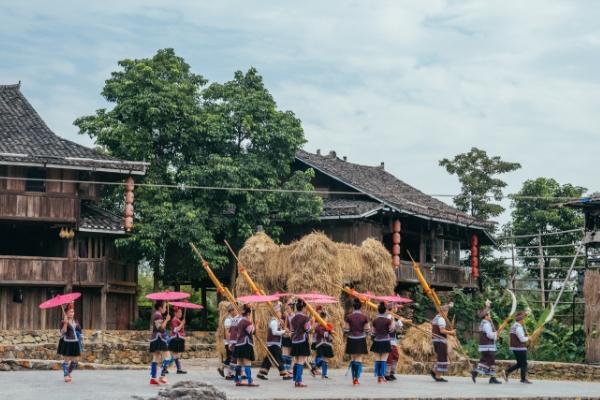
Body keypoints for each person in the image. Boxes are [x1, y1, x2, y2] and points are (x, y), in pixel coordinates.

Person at [257, 303, 292, 381]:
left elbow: (279, 332)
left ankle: (261, 373)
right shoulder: (274, 322)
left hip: (274, 343)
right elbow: (274, 332)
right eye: (279, 312)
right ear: (276, 313)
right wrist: (283, 331)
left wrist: (285, 331)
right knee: (279, 358)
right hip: (274, 344)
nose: (280, 314)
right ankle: (284, 373)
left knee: (268, 359)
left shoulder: (277, 322)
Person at [471, 301, 502, 384]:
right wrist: (496, 334)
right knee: (486, 361)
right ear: (486, 316)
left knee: (490, 361)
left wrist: (495, 334)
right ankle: (475, 372)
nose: (490, 316)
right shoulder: (486, 324)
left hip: (485, 346)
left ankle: (492, 378)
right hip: (488, 346)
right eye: (489, 315)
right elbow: (489, 335)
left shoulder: (483, 323)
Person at [344, 298, 370, 385]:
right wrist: (365, 334)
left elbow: (346, 329)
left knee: (353, 358)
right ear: (360, 307)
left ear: (353, 307)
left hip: (351, 339)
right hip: (360, 339)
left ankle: (353, 378)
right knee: (359, 359)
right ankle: (356, 378)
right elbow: (367, 329)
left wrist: (348, 334)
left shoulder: (349, 317)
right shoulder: (364, 317)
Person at [233, 303, 259, 387]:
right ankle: (250, 381)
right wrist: (256, 324)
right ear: (248, 314)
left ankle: (238, 380)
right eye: (250, 314)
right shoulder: (247, 322)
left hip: (239, 344)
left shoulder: (240, 321)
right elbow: (252, 332)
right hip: (245, 344)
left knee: (239, 363)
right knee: (247, 363)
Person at [502, 311, 532, 384]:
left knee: (520, 363)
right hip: (520, 348)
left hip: (515, 347)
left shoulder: (513, 326)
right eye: (523, 319)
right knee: (524, 363)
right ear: (521, 320)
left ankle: (507, 371)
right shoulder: (518, 327)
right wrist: (528, 338)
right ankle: (523, 379)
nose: (524, 321)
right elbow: (522, 339)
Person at [430, 302, 455, 382]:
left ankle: (435, 371)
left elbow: (433, 324)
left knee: (441, 357)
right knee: (442, 358)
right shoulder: (441, 319)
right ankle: (438, 376)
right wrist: (451, 333)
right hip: (440, 340)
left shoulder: (435, 318)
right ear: (444, 312)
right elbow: (442, 330)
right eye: (447, 312)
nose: (447, 314)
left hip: (436, 340)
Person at [57, 303, 81, 383]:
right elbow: (62, 332)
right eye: (70, 312)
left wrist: (80, 336)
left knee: (75, 360)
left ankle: (69, 372)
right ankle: (66, 375)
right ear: (66, 313)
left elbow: (79, 330)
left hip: (75, 341)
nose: (72, 313)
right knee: (66, 359)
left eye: (73, 312)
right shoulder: (63, 321)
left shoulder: (75, 321)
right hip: (67, 342)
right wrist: (65, 323)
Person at [290, 298, 311, 387]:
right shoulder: (305, 318)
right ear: (303, 308)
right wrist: (312, 323)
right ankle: (299, 380)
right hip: (302, 341)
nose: (306, 309)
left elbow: (292, 330)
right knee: (301, 361)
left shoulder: (293, 318)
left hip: (295, 341)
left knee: (297, 360)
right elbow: (307, 329)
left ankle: (296, 379)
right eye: (306, 308)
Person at [371, 302, 394, 383]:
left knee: (378, 359)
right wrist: (392, 320)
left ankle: (378, 376)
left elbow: (372, 332)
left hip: (377, 341)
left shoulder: (375, 320)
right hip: (385, 341)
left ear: (378, 310)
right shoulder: (388, 320)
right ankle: (382, 376)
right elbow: (391, 330)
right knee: (384, 360)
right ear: (385, 311)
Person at [149, 300, 171, 385]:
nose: (165, 309)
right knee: (168, 356)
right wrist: (166, 320)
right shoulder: (158, 316)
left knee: (156, 357)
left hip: (155, 338)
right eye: (165, 307)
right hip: (159, 338)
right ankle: (162, 375)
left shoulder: (157, 315)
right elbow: (160, 328)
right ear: (160, 308)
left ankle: (153, 378)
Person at [312, 308, 334, 379]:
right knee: (320, 357)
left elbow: (330, 335)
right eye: (322, 317)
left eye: (325, 317)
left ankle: (324, 374)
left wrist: (330, 332)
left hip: (327, 344)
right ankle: (315, 367)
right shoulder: (318, 326)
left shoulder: (328, 325)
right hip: (320, 343)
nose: (324, 318)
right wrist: (328, 331)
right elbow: (323, 333)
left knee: (326, 359)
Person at [385, 302, 404, 381]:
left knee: (395, 356)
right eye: (396, 307)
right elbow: (392, 327)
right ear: (392, 308)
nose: (397, 309)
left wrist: (399, 320)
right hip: (389, 339)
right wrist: (398, 321)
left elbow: (399, 326)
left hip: (393, 339)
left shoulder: (393, 316)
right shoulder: (389, 316)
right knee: (391, 357)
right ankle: (387, 374)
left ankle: (391, 373)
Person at [219, 303, 237, 380]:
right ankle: (229, 373)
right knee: (231, 357)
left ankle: (223, 369)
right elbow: (227, 332)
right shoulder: (228, 320)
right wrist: (229, 343)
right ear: (231, 311)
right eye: (234, 310)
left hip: (232, 341)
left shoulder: (233, 319)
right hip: (228, 342)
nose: (236, 312)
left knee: (231, 357)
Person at [168, 306, 187, 374]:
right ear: (175, 313)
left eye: (181, 312)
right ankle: (165, 368)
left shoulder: (177, 319)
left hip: (178, 338)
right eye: (179, 312)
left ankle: (178, 369)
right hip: (176, 338)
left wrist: (182, 323)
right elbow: (175, 330)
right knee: (174, 355)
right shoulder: (174, 320)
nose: (181, 313)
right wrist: (182, 324)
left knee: (176, 355)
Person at [281, 301, 295, 375]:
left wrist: (291, 332)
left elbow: (295, 327)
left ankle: (290, 368)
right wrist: (285, 318)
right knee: (285, 353)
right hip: (286, 335)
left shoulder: (294, 316)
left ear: (291, 308)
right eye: (286, 309)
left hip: (292, 335)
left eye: (288, 308)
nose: (287, 310)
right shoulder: (285, 316)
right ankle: (285, 369)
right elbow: (284, 326)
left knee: (290, 353)